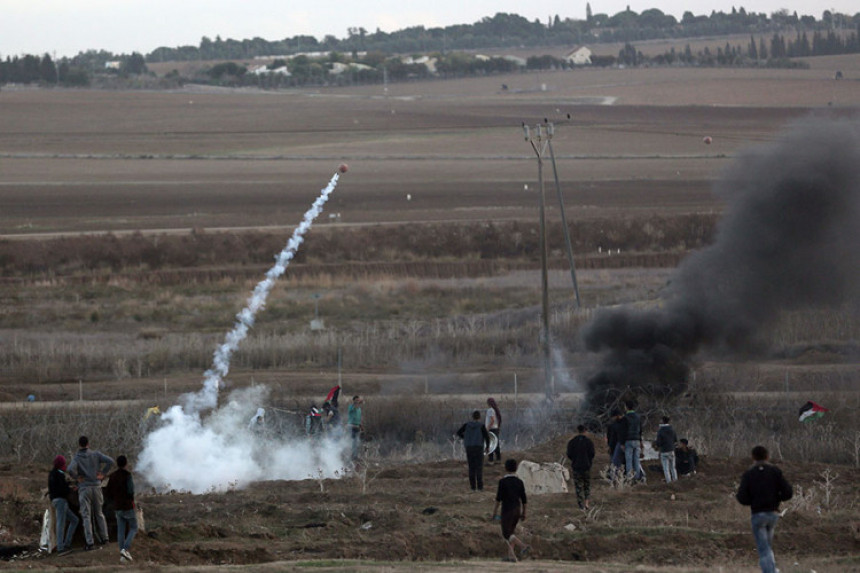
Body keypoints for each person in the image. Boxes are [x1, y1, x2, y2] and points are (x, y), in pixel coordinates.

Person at [736, 446, 793, 573]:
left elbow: (742, 497)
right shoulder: (775, 472)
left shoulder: (749, 474)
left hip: (757, 515)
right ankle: (772, 569)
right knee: (767, 545)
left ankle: (770, 571)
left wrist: (752, 501)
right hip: (773, 514)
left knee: (763, 549)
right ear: (767, 456)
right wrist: (778, 499)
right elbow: (788, 492)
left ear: (753, 457)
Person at [67, 436, 114, 551]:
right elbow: (110, 461)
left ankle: (90, 542)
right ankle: (105, 538)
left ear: (79, 445)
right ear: (88, 444)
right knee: (99, 513)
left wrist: (77, 478)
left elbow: (70, 469)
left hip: (84, 488)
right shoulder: (96, 454)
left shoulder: (77, 458)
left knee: (86, 515)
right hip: (97, 486)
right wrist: (103, 473)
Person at [491, 459, 530, 563]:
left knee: (506, 534)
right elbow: (524, 499)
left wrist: (494, 512)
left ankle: (523, 546)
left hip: (507, 510)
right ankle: (511, 556)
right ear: (516, 468)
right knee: (511, 533)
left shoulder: (503, 482)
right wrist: (524, 513)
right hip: (517, 509)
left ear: (505, 468)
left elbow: (498, 499)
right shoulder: (519, 482)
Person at [106, 455, 137, 563]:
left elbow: (108, 492)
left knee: (121, 530)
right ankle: (125, 549)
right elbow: (130, 491)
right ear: (126, 464)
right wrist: (132, 501)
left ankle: (122, 557)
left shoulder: (112, 476)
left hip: (117, 507)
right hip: (127, 506)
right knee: (133, 528)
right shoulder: (127, 475)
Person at [48, 455, 79, 556]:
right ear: (61, 465)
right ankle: (61, 547)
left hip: (55, 500)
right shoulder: (60, 475)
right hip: (61, 501)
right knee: (61, 523)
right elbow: (63, 489)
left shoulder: (52, 474)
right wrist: (71, 489)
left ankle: (66, 543)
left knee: (74, 520)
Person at [456, 410, 490, 491]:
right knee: (479, 467)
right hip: (478, 447)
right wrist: (487, 447)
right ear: (479, 417)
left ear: (472, 417)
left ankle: (473, 487)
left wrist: (465, 438)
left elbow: (458, 432)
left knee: (471, 468)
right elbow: (487, 437)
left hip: (469, 447)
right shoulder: (481, 426)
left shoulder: (466, 425)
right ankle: (480, 487)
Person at [566, 425, 595, 510]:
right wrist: (589, 461)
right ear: (585, 431)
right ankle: (586, 503)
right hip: (586, 466)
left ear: (577, 430)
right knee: (587, 485)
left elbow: (569, 454)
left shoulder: (572, 442)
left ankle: (580, 504)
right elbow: (592, 454)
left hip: (576, 466)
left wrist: (574, 460)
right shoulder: (589, 442)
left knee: (578, 486)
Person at [622, 401, 645, 482]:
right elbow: (640, 430)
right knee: (636, 460)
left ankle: (629, 478)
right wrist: (641, 441)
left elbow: (623, 431)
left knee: (629, 461)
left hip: (628, 440)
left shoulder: (625, 417)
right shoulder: (638, 417)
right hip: (637, 440)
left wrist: (622, 443)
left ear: (626, 407)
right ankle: (637, 478)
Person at [654, 416, 678, 483]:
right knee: (673, 467)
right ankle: (675, 481)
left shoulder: (660, 431)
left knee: (666, 468)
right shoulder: (672, 430)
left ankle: (669, 482)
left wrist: (656, 445)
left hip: (664, 451)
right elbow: (675, 440)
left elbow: (658, 443)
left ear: (662, 421)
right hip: (672, 450)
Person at [606, 409, 627, 477]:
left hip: (617, 445)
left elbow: (611, 437)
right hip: (618, 445)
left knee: (615, 463)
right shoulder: (620, 423)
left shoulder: (613, 425)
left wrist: (609, 446)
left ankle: (614, 476)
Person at [347, 395, 364, 460]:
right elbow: (354, 408)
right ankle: (352, 456)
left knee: (356, 442)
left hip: (357, 426)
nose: (357, 401)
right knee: (353, 442)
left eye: (358, 400)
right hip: (351, 426)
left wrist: (360, 425)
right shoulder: (351, 407)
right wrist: (358, 403)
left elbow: (358, 418)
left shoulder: (359, 409)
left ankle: (355, 456)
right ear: (353, 400)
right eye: (356, 400)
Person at [485, 397, 502, 464]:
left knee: (490, 444)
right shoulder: (495, 410)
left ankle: (491, 460)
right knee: (496, 443)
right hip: (495, 428)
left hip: (491, 429)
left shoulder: (490, 410)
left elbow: (492, 420)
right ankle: (498, 459)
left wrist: (487, 428)